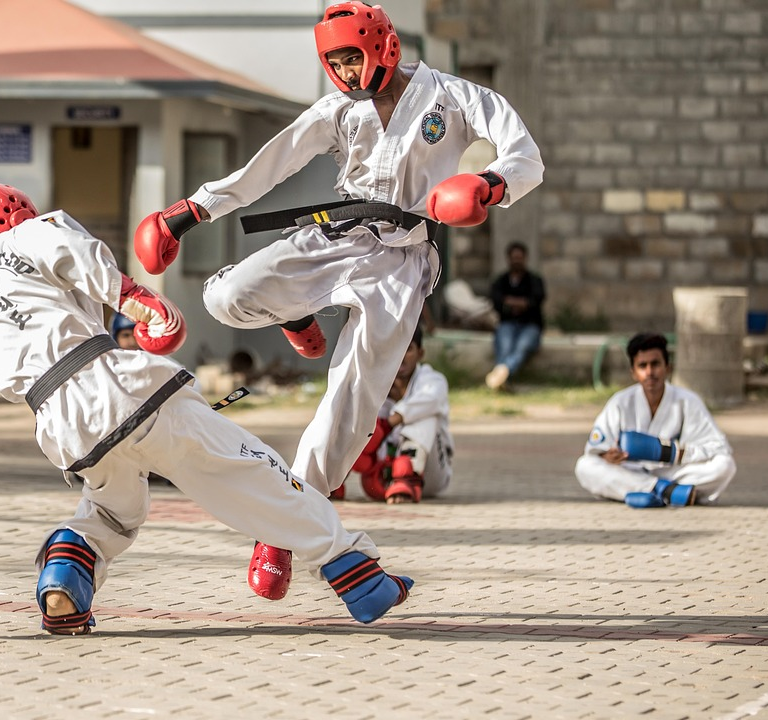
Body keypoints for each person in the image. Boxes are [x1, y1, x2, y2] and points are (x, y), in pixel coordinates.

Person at [0, 181, 414, 634]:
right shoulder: (33, 233)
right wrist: (134, 296)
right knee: (248, 468)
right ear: (16, 217)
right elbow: (72, 252)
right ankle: (358, 575)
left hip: (62, 426)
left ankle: (65, 580)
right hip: (114, 382)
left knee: (115, 509)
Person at [133, 1, 543, 600]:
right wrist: (190, 210)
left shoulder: (454, 97)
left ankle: (284, 520)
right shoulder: (339, 111)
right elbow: (268, 164)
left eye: (354, 58)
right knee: (227, 296)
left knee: (350, 404)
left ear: (385, 47)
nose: (348, 73)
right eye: (336, 62)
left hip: (402, 262)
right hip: (337, 237)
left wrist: (489, 184)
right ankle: (295, 312)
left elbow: (524, 153)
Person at [575, 333, 737, 508]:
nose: (650, 372)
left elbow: (720, 447)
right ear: (633, 373)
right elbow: (594, 450)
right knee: (585, 466)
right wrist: (608, 455)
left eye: (655, 364)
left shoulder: (688, 401)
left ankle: (645, 491)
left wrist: (676, 453)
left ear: (668, 367)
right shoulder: (620, 402)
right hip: (630, 471)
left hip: (672, 472)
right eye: (642, 366)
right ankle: (665, 491)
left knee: (725, 465)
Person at [350, 327, 453, 504]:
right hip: (381, 476)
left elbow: (432, 400)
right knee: (353, 416)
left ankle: (407, 479)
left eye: (408, 349)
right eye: (394, 349)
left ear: (420, 353)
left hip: (430, 476)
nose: (401, 356)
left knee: (425, 414)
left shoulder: (432, 380)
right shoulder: (373, 385)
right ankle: (332, 481)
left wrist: (388, 424)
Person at [486, 242, 546, 390]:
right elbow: (497, 301)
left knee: (522, 347)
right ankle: (503, 380)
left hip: (530, 324)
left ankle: (501, 375)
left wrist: (511, 302)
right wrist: (521, 303)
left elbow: (536, 300)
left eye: (520, 257)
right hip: (507, 323)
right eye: (514, 257)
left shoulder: (534, 280)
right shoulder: (501, 281)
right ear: (509, 259)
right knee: (505, 346)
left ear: (525, 258)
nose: (517, 260)